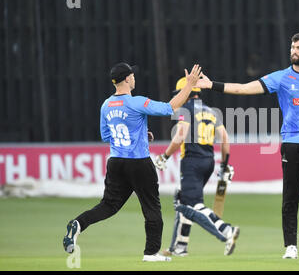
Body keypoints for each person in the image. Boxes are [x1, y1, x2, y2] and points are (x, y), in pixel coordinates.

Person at [196, 32, 299, 259]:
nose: (294, 51)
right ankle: (290, 245)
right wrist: (212, 84)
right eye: (292, 47)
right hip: (291, 142)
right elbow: (244, 88)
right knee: (290, 195)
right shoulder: (281, 78)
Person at [62, 63, 202, 262]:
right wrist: (189, 85)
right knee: (152, 207)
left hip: (116, 162)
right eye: (133, 75)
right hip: (138, 162)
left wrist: (140, 134)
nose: (135, 77)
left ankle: (78, 223)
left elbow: (106, 135)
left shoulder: (106, 105)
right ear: (127, 79)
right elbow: (169, 108)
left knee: (108, 205)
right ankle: (151, 253)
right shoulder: (137, 102)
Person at [154, 76, 239, 257]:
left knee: (192, 204)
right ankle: (180, 246)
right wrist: (225, 164)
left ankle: (226, 230)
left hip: (192, 161)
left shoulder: (185, 109)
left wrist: (165, 156)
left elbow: (180, 136)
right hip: (208, 160)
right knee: (182, 200)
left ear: (187, 92)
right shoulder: (212, 111)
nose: (179, 97)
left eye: (181, 93)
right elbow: (224, 139)